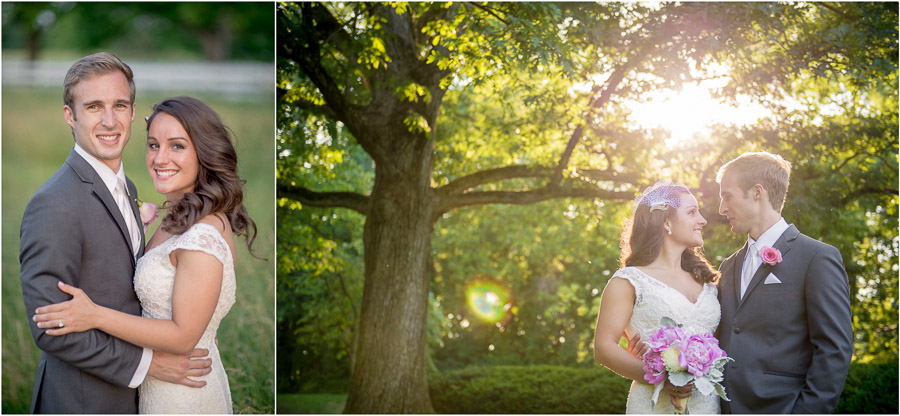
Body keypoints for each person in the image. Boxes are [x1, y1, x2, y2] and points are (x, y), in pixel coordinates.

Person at [32, 96, 257, 413]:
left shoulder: (202, 235)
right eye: (153, 145)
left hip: (182, 393)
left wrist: (94, 315)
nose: (160, 158)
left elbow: (182, 336)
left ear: (204, 153)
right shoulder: (177, 216)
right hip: (156, 385)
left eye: (177, 146)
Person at [19, 52, 212, 414]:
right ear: (69, 116)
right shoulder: (53, 203)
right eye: (93, 107)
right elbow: (50, 327)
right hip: (82, 400)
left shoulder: (130, 188)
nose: (110, 121)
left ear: (133, 111)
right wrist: (150, 365)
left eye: (119, 105)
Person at [715, 152, 852, 413]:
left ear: (757, 192)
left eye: (727, 196)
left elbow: (834, 349)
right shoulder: (728, 266)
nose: (722, 208)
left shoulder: (817, 258)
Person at [594, 181, 721, 413]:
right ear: (666, 222)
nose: (702, 220)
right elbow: (604, 348)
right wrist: (663, 380)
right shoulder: (629, 281)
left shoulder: (707, 282)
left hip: (707, 403)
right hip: (654, 405)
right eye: (692, 212)